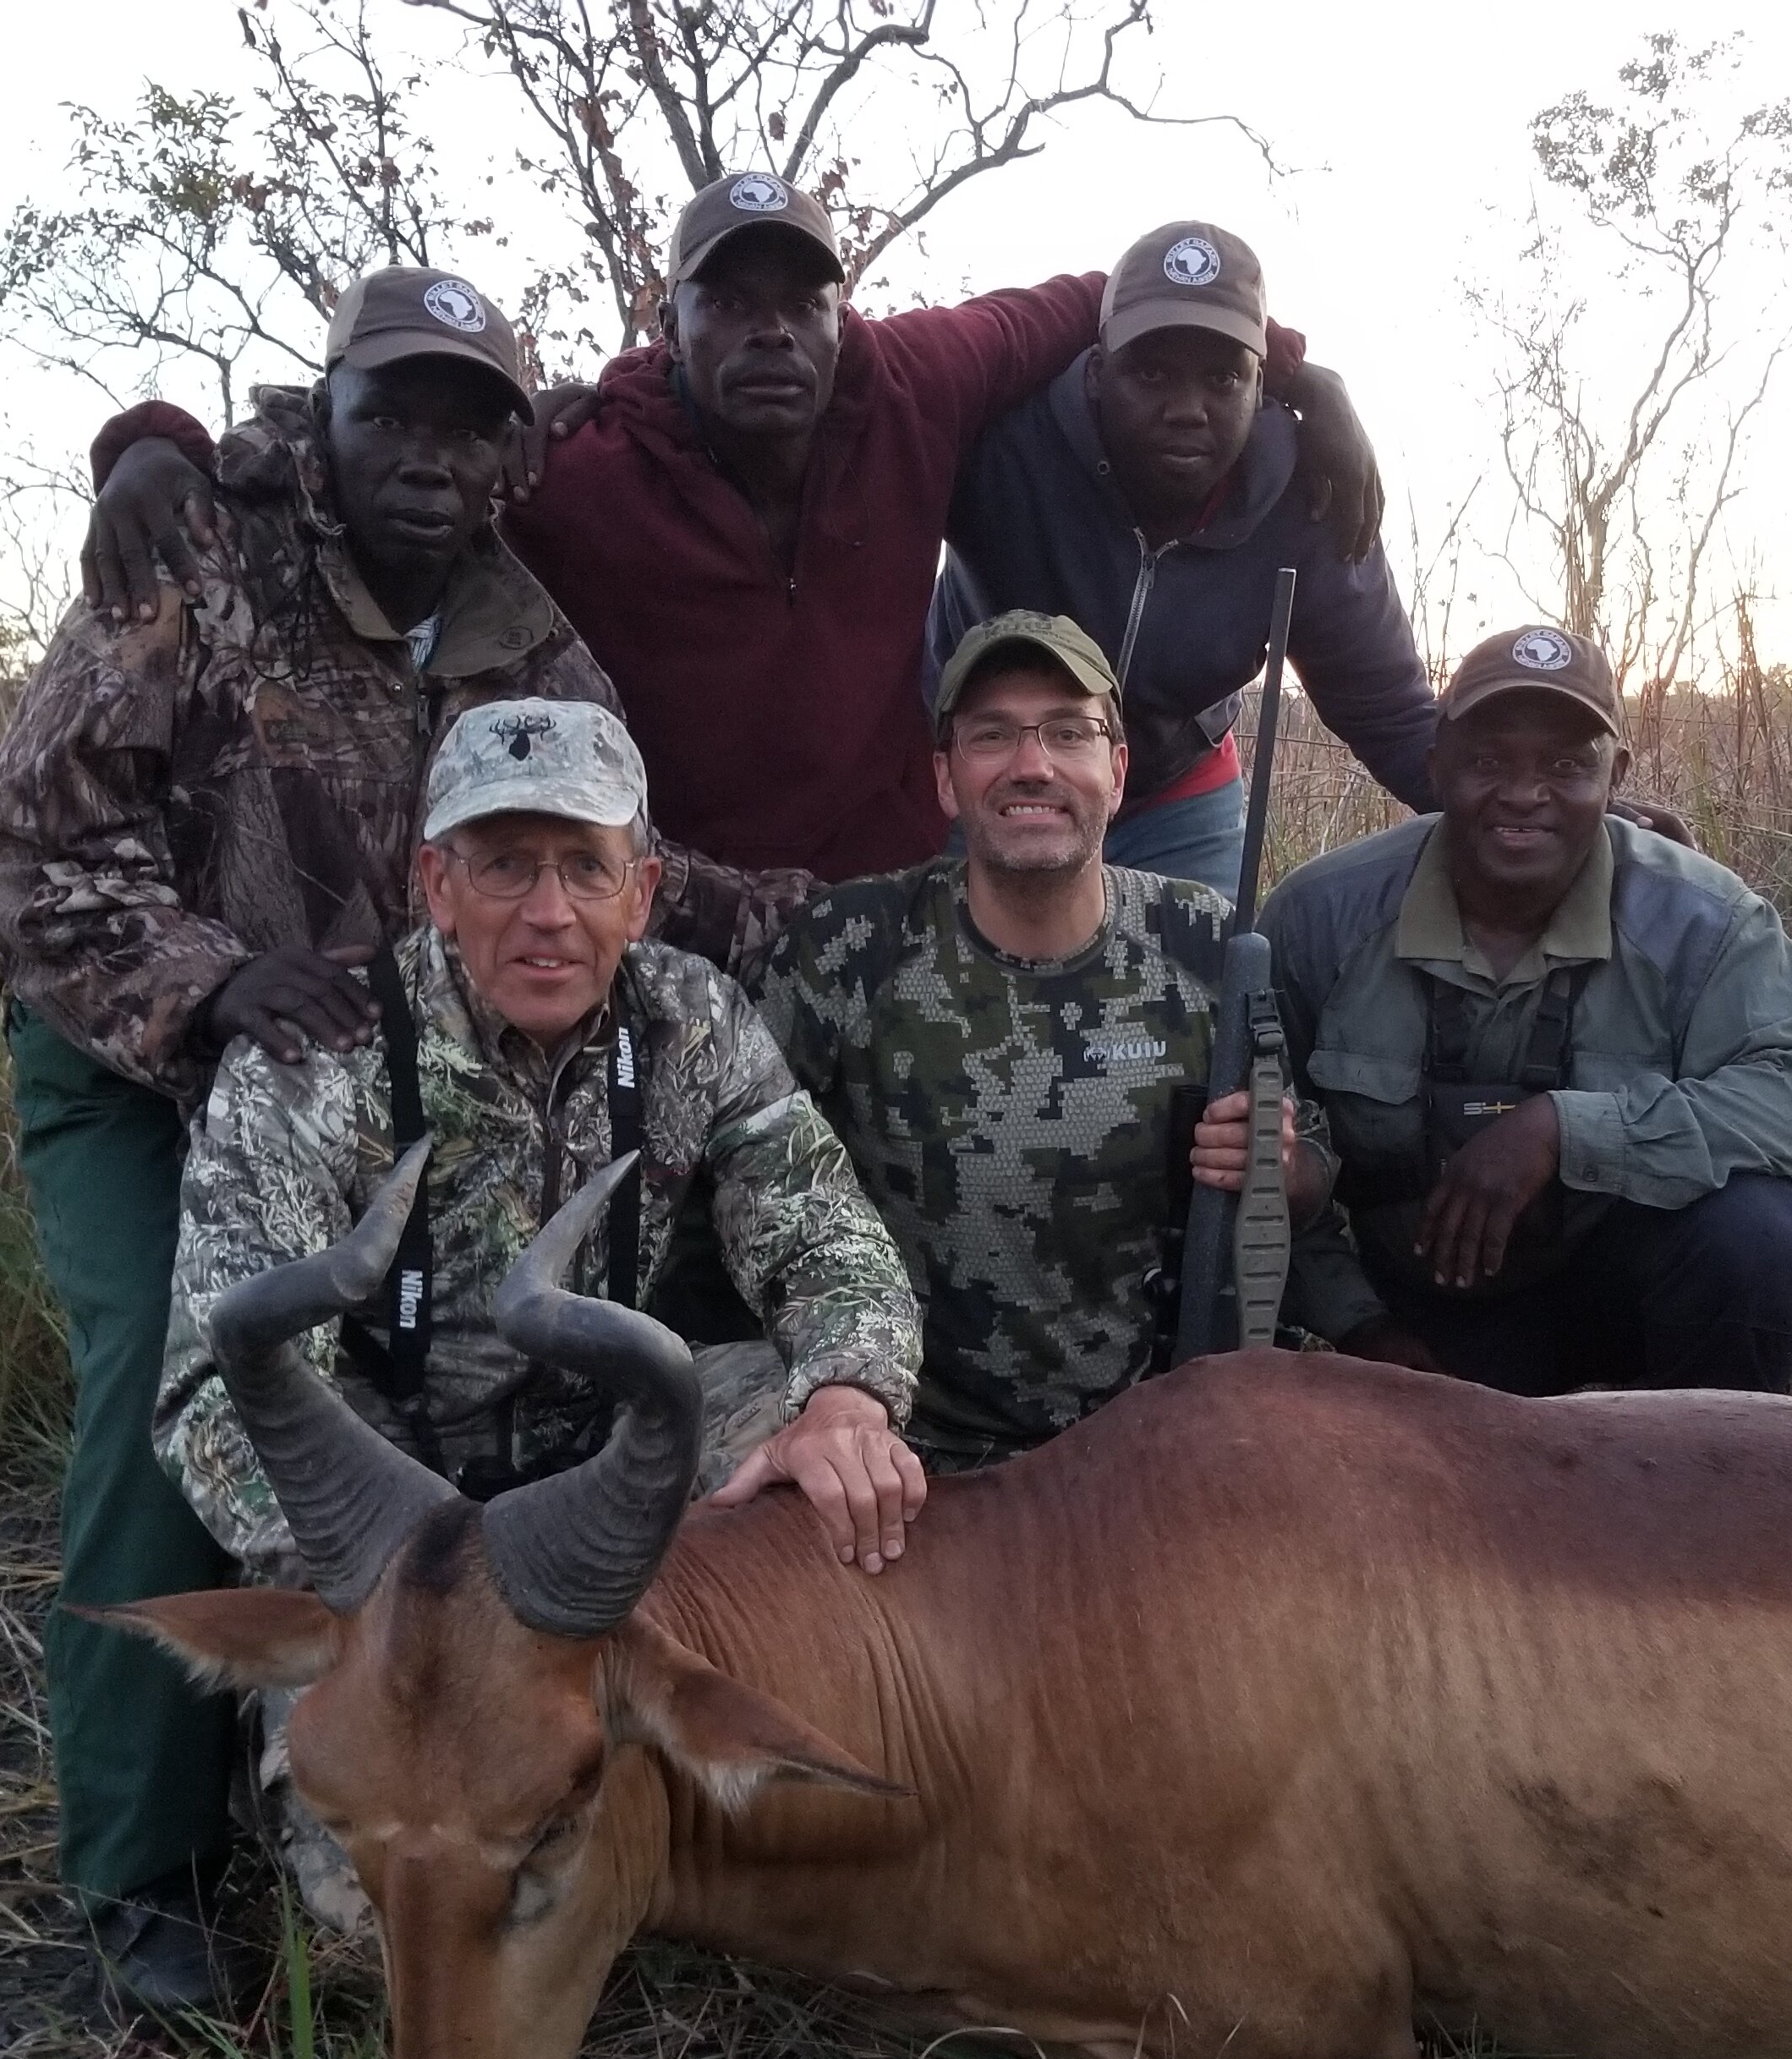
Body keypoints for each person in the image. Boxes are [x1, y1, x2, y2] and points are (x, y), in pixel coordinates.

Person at [0, 265, 752, 2018]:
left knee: (436, 1384)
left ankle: (427, 1757)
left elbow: (612, 863)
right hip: (136, 1049)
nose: (425, 457)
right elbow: (26, 856)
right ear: (323, 416)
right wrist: (211, 980)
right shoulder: (190, 552)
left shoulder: (533, 640)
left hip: (357, 1075)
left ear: (514, 460)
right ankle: (140, 1877)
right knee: (166, 1394)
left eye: (469, 426)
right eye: (390, 409)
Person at [156, 698, 924, 1956]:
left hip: (600, 1488)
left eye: (584, 865)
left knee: (829, 1455)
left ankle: (712, 1767)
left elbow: (829, 1241)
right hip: (387, 1522)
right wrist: (421, 1579)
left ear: (646, 888)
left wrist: (848, 1393)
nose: (549, 911)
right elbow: (213, 1388)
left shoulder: (693, 1018)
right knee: (375, 1936)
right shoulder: (317, 1059)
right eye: (506, 865)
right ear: (436, 886)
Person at [79, 172, 1383, 893]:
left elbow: (1107, 296)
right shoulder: (575, 466)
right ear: (672, 319)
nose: (770, 331)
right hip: (677, 905)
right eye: (729, 302)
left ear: (841, 313)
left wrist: (1300, 375)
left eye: (800, 300)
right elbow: (383, 454)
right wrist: (159, 440)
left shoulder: (918, 384)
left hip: (889, 883)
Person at [759, 611, 1336, 1472]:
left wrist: (1280, 1166)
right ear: (947, 780)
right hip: (911, 1462)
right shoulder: (845, 948)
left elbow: (1313, 1165)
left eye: (1070, 732)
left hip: (1149, 1445)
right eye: (994, 735)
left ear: (1117, 769)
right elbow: (748, 1193)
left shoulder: (1203, 938)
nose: (1033, 764)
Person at [1265, 624, 1792, 1397]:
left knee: (1759, 1233)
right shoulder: (1318, 917)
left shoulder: (1706, 919)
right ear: (1435, 768)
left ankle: (1703, 1489)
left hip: (1610, 1304)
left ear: (1617, 778)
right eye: (1487, 761)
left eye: (1567, 765)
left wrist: (1563, 1130)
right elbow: (1257, 1159)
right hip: (1400, 1316)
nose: (1523, 793)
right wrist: (1359, 1326)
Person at [929, 221, 1443, 900]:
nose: (1187, 410)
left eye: (1224, 378)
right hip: (992, 776)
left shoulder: (1313, 495)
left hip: (1177, 799)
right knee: (955, 990)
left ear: (1264, 386)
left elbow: (1392, 713)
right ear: (1097, 364)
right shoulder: (1005, 439)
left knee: (1199, 994)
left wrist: (1553, 803)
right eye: (1151, 372)